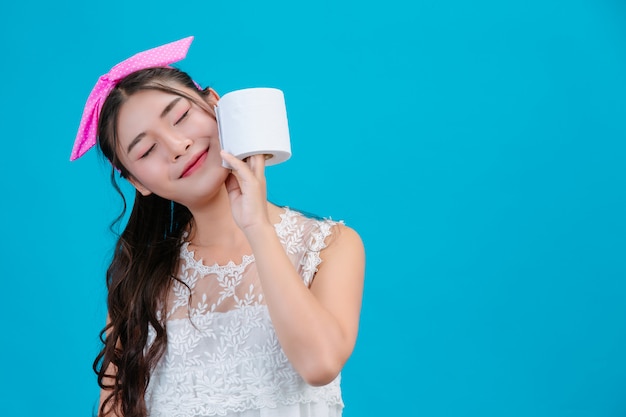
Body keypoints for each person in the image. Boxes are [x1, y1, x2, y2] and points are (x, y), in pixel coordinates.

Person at [70, 36, 365, 417]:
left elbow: (320, 365)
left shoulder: (330, 246)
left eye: (179, 117)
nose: (177, 145)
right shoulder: (138, 283)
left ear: (215, 104)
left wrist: (256, 224)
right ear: (137, 182)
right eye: (145, 151)